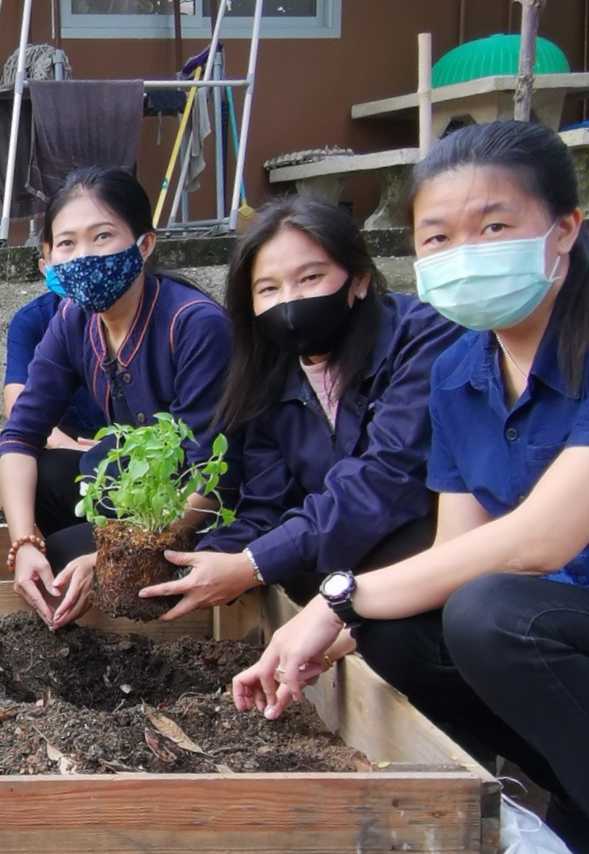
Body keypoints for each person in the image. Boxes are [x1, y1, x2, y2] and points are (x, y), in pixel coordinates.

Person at [235, 120, 589, 854]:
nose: (465, 254)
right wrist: (338, 633)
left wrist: (332, 597)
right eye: (439, 237)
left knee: (497, 612)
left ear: (564, 230)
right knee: (402, 628)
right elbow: (457, 552)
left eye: (493, 227)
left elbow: (540, 542)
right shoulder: (461, 373)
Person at [141, 195, 461, 618]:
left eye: (310, 278)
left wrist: (253, 565)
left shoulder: (420, 340)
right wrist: (174, 567)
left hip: (430, 558)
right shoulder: (271, 375)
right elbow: (264, 504)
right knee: (294, 567)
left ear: (360, 280)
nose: (289, 302)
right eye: (268, 288)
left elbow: (387, 480)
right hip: (342, 556)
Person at [0, 166, 231, 628]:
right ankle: (102, 563)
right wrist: (23, 544)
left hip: (197, 511)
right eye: (67, 243)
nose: (82, 256)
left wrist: (111, 555)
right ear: (49, 256)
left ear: (144, 245)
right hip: (137, 498)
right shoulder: (73, 320)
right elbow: (20, 435)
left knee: (68, 556)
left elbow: (211, 475)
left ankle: (132, 580)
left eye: (102, 237)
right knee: (49, 477)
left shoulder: (193, 324)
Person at [0, 238, 107, 489]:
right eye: (65, 246)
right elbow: (17, 405)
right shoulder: (33, 320)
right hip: (69, 439)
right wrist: (67, 446)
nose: (78, 261)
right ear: (44, 264)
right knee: (44, 472)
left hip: (132, 439)